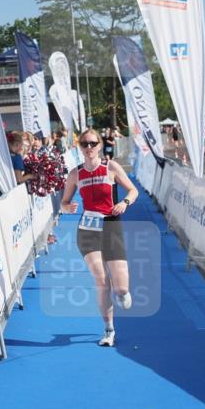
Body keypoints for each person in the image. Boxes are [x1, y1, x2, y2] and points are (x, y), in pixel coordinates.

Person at [60, 128, 139, 348]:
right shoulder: (75, 174)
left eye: (92, 143)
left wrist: (124, 203)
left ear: (100, 145)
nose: (89, 148)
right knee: (101, 279)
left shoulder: (111, 167)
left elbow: (133, 191)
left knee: (121, 290)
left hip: (111, 225)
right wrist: (68, 207)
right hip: (87, 229)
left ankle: (121, 291)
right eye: (84, 144)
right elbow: (63, 203)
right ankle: (108, 330)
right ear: (80, 147)